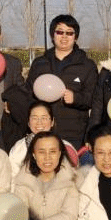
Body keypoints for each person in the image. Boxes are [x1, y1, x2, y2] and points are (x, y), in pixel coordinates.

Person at [25, 14, 98, 149]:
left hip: (74, 134)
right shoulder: (40, 63)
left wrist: (76, 98)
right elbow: (28, 94)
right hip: (43, 131)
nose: (64, 36)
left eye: (69, 33)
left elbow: (94, 99)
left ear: (75, 37)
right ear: (52, 35)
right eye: (60, 32)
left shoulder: (87, 65)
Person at [8, 101, 75, 179]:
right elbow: (12, 177)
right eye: (34, 118)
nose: (39, 122)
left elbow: (72, 177)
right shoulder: (19, 148)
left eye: (44, 118)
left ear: (52, 121)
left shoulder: (65, 146)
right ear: (28, 122)